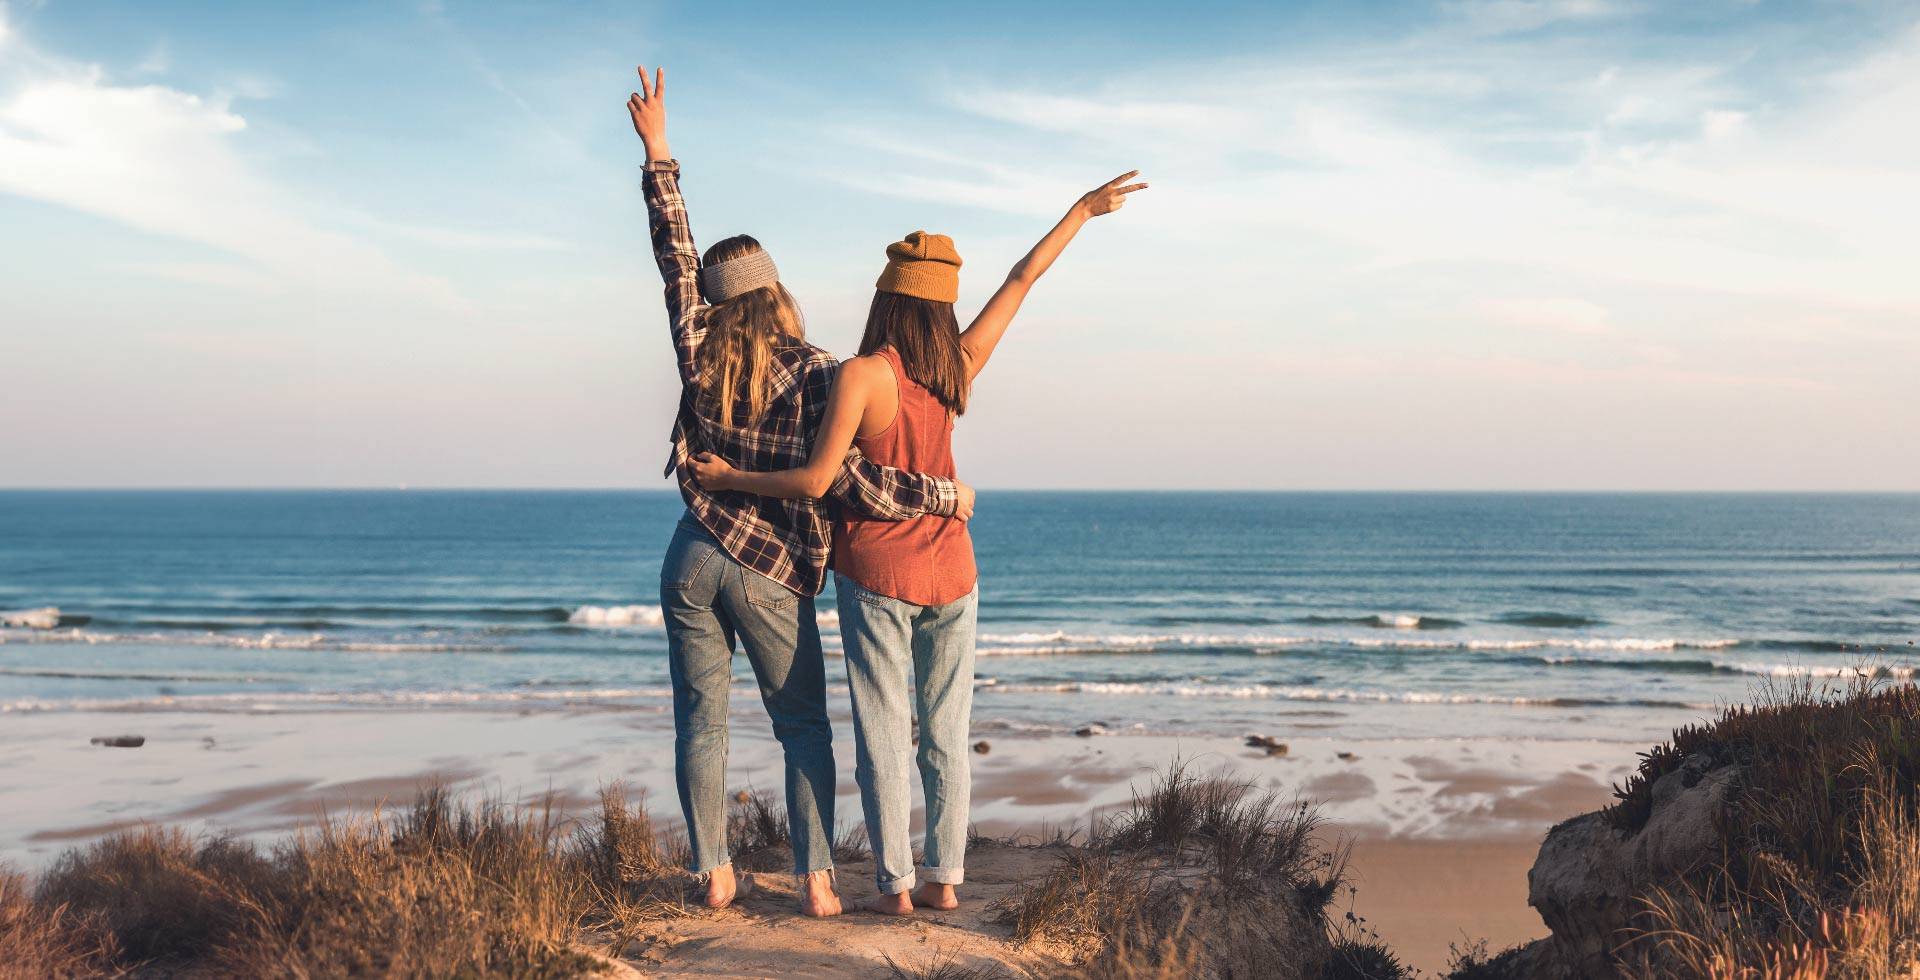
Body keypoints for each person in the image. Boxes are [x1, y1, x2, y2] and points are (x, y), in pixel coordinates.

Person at [691, 170, 1147, 914]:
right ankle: (945, 880)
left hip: (875, 572)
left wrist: (731, 473)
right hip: (954, 571)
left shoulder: (861, 376)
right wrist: (1081, 213)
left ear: (885, 298)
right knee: (946, 736)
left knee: (882, 734)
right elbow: (1020, 280)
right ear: (942, 307)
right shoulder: (959, 368)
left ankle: (896, 889)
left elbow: (814, 481)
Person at [626, 65, 975, 918]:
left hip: (692, 556)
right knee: (803, 728)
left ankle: (713, 872)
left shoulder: (697, 346)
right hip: (770, 570)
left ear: (715, 302)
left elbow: (674, 252)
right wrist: (939, 495)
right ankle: (818, 884)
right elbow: (851, 481)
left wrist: (659, 153)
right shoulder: (821, 372)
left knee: (700, 723)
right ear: (778, 291)